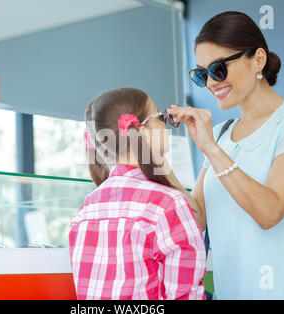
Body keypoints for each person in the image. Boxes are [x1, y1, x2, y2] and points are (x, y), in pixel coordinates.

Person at [167, 11, 284, 299]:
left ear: (258, 59)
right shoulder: (220, 134)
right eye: (201, 74)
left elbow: (269, 212)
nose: (210, 83)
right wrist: (154, 159)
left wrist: (210, 148)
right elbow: (196, 220)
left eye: (218, 69)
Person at [69, 87, 206, 300]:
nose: (165, 124)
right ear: (142, 132)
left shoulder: (86, 208)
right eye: (160, 118)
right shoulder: (168, 204)